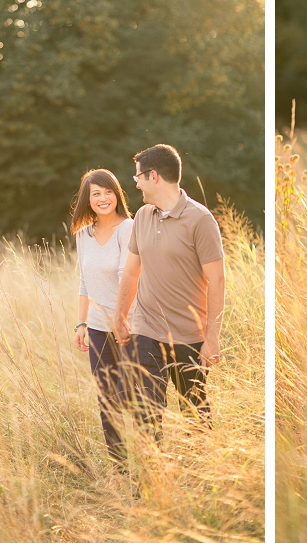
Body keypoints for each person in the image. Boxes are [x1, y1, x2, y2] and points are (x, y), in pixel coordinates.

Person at [111, 144, 225, 443]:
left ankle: (204, 472)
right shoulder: (143, 217)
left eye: (138, 177)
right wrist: (120, 316)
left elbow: (217, 280)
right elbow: (132, 271)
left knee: (195, 413)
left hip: (189, 335)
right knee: (147, 410)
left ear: (154, 176)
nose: (134, 182)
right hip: (146, 330)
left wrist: (211, 338)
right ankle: (154, 479)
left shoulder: (200, 220)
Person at [70, 168, 135, 465]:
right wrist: (82, 322)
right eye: (96, 193)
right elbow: (84, 280)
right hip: (97, 329)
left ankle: (146, 459)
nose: (103, 198)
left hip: (129, 327)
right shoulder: (83, 235)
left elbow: (127, 276)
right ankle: (119, 467)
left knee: (129, 396)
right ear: (88, 199)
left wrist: (122, 320)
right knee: (106, 402)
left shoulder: (128, 228)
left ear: (117, 194)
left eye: (108, 191)